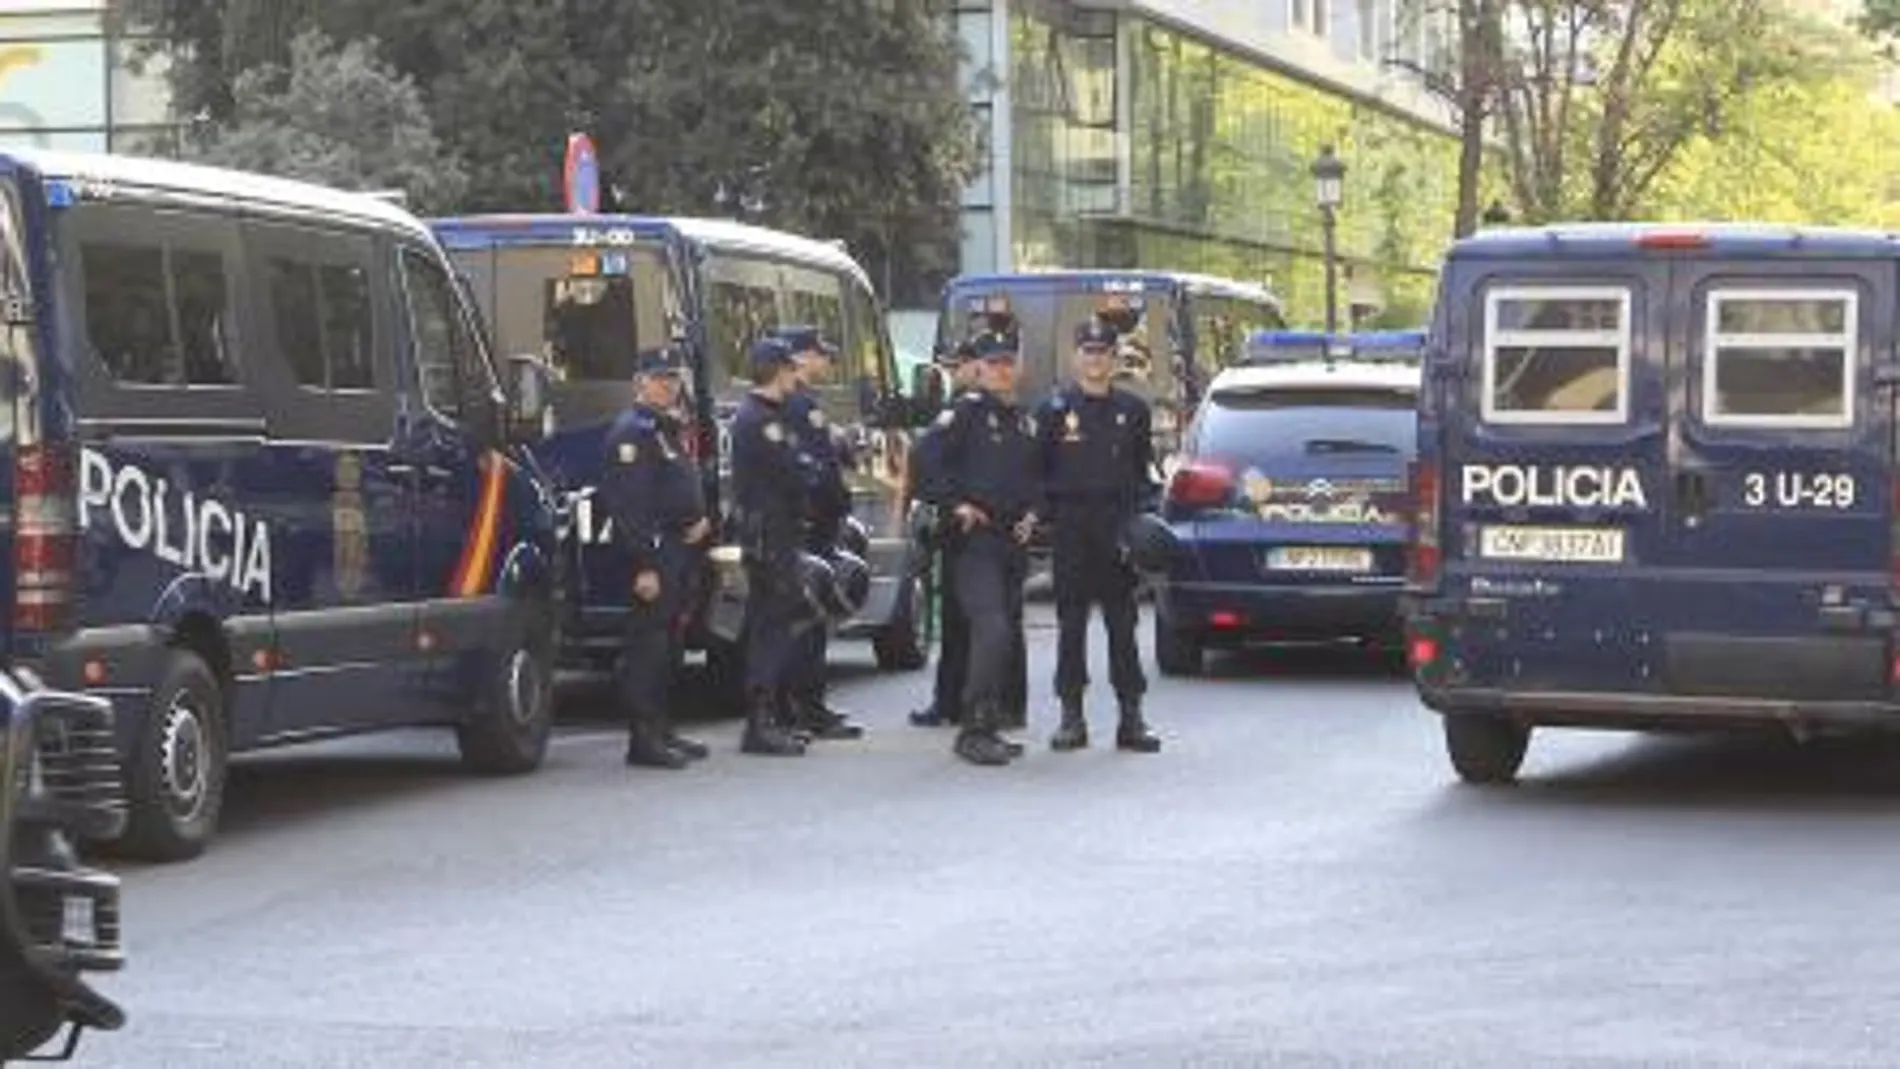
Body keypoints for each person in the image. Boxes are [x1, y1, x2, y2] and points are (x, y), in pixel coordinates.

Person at [1032, 319, 1162, 754]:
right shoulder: (1052, 410)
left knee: (1122, 625)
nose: (1095, 360)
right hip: (1071, 527)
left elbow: (1143, 474)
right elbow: (1038, 473)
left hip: (1116, 525)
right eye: (1088, 351)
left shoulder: (1133, 410)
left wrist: (1143, 521)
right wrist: (1042, 517)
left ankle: (1132, 717)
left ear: (1113, 358)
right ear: (1075, 358)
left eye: (1103, 352)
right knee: (1071, 625)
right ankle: (1072, 717)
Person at [599, 345, 714, 769]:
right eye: (659, 378)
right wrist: (643, 565)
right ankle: (643, 738)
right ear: (639, 383)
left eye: (673, 378)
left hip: (678, 548)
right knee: (648, 649)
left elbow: (674, 486)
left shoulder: (664, 428)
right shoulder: (633, 432)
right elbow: (630, 506)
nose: (668, 386)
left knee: (669, 646)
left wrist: (697, 520)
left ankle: (663, 728)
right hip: (655, 552)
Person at [928, 329, 1040, 766]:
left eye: (1008, 363)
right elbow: (925, 462)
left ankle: (991, 721)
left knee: (1005, 632)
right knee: (990, 627)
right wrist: (956, 504)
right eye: (993, 364)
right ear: (980, 369)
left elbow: (1040, 478)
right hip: (975, 542)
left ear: (1019, 368)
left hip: (1012, 541)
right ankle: (972, 728)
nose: (1001, 371)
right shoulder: (966, 414)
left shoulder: (1025, 420)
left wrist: (1035, 511)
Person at [773, 325, 865, 742]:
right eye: (820, 354)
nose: (827, 361)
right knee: (806, 621)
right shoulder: (797, 406)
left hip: (817, 523)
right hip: (809, 526)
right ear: (800, 358)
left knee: (811, 619)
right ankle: (802, 705)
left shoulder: (804, 404)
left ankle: (804, 703)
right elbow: (808, 469)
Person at [727, 335, 815, 757]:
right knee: (769, 627)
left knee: (780, 622)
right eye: (791, 369)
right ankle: (760, 722)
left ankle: (773, 714)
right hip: (768, 535)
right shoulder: (760, 419)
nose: (796, 377)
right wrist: (808, 467)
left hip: (776, 531)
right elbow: (793, 471)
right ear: (779, 371)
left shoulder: (767, 415)